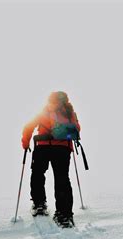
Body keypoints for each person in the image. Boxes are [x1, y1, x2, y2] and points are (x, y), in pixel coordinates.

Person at [21, 91, 81, 228]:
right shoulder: (69, 111)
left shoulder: (44, 110)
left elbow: (28, 127)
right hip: (63, 149)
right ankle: (64, 214)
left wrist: (25, 143)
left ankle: (39, 204)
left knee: (37, 174)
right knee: (62, 179)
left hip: (42, 147)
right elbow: (77, 129)